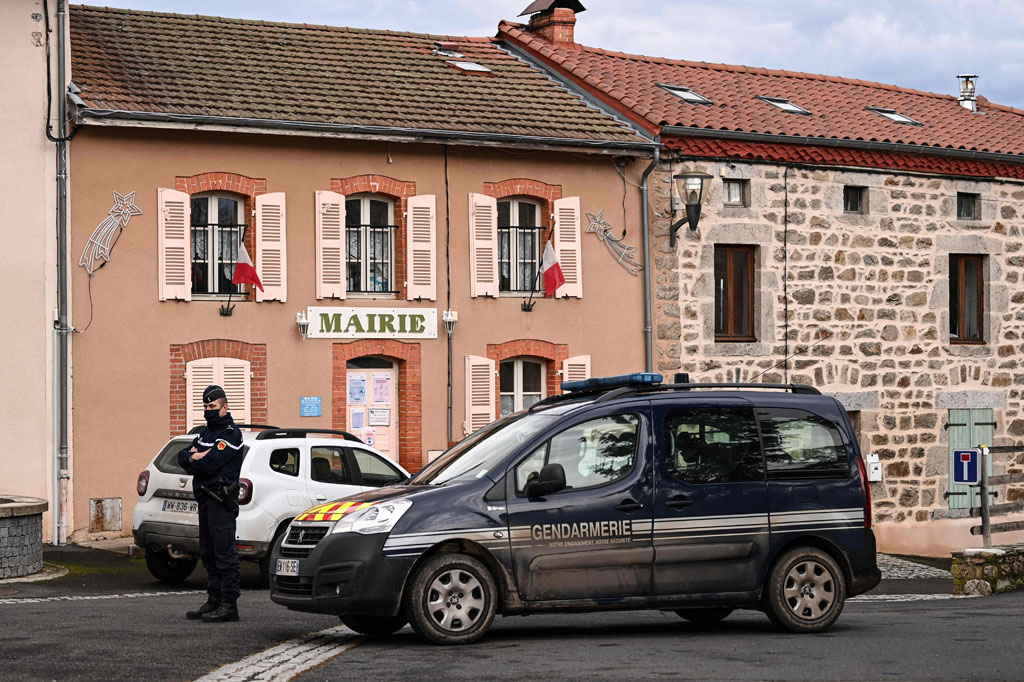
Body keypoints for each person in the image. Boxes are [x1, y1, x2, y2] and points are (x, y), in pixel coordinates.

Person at [177, 385, 244, 622]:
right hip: (205, 498)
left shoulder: (230, 434)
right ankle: (214, 599)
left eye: (213, 406)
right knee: (208, 552)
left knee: (224, 553)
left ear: (224, 408)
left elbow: (210, 464)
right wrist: (194, 456)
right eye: (206, 406)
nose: (209, 410)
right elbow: (182, 456)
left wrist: (197, 458)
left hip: (220, 500)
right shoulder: (205, 434)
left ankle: (229, 604)